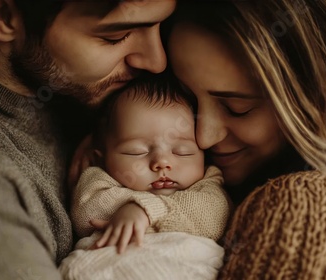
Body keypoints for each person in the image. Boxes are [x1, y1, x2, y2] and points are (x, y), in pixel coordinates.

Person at [0, 0, 175, 278]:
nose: (157, 61)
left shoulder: (94, 90)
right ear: (4, 15)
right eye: (115, 37)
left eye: (161, 24)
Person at [167, 0, 326, 279]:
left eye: (238, 108)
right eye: (184, 99)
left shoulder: (308, 209)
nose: (203, 136)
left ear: (313, 102)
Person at [59, 77, 231, 280]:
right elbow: (86, 215)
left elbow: (214, 217)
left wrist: (146, 209)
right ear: (101, 159)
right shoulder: (98, 177)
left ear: (204, 155)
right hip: (105, 267)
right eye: (136, 152)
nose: (162, 162)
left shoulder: (208, 182)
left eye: (182, 151)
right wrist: (131, 208)